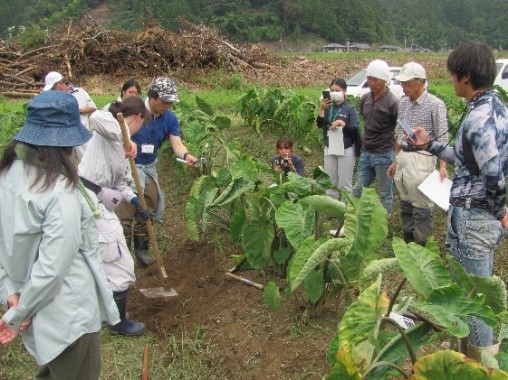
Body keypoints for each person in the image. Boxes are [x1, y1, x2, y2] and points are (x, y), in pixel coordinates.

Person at [0, 90, 119, 379]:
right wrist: (19, 312)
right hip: (69, 312)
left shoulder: (9, 173)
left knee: (53, 371)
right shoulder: (59, 190)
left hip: (35, 304)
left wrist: (11, 295)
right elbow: (53, 268)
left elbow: (4, 245)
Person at [410, 42, 508, 359]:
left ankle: (484, 369)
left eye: (452, 75)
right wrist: (431, 145)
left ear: (465, 77)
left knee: (475, 301)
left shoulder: (479, 118)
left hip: (476, 218)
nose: (450, 81)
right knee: (470, 296)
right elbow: (470, 161)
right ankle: (469, 360)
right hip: (475, 215)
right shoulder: (495, 108)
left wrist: (502, 211)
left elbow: (493, 173)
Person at [78, 97, 151, 336]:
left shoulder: (122, 144)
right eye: (142, 123)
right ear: (138, 117)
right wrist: (126, 137)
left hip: (99, 199)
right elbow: (95, 118)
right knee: (120, 260)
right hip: (88, 198)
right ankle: (116, 321)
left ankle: (106, 312)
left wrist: (135, 201)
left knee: (99, 257)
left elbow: (120, 183)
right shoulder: (110, 126)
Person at [116, 76, 198, 266]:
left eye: (170, 102)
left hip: (149, 166)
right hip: (129, 166)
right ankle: (122, 254)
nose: (168, 105)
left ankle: (142, 251)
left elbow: (176, 143)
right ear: (152, 97)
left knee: (149, 206)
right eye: (164, 101)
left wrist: (186, 156)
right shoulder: (135, 112)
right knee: (126, 208)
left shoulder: (169, 118)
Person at [386, 62, 449, 246]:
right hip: (404, 154)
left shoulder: (435, 105)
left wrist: (443, 166)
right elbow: (398, 133)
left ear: (419, 82)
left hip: (422, 157)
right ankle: (408, 240)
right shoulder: (404, 103)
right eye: (402, 83)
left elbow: (442, 137)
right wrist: (395, 160)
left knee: (421, 202)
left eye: (406, 83)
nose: (403, 87)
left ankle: (422, 243)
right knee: (405, 199)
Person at [352, 59, 399, 214]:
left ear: (384, 81)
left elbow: (398, 128)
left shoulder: (393, 102)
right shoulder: (365, 98)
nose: (371, 82)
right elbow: (364, 121)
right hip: (366, 152)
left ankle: (385, 225)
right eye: (369, 78)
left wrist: (396, 155)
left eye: (375, 79)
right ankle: (354, 222)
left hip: (384, 154)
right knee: (357, 190)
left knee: (385, 194)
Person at [316, 78, 360, 199]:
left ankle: (347, 210)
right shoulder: (328, 107)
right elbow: (319, 124)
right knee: (330, 182)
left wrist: (342, 123)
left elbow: (354, 129)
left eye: (337, 90)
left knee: (344, 183)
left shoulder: (350, 109)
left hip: (345, 149)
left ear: (345, 91)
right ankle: (333, 209)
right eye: (332, 90)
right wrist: (321, 109)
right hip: (330, 148)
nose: (334, 92)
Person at [43, 71, 97, 159]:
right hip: (64, 139)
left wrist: (76, 110)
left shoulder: (79, 92)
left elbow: (93, 107)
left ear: (60, 83)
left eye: (53, 87)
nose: (51, 90)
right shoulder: (52, 97)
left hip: (82, 135)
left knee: (88, 162)